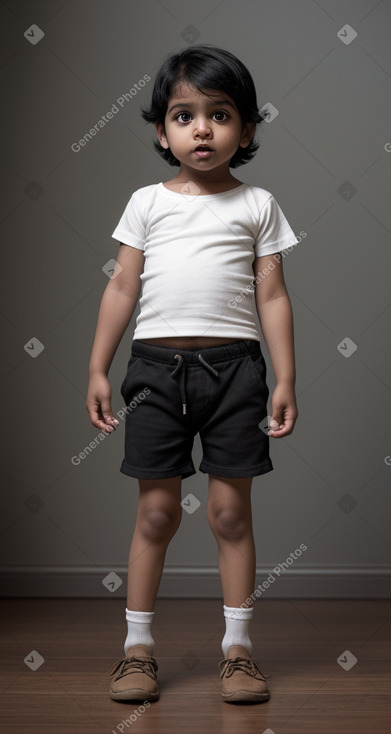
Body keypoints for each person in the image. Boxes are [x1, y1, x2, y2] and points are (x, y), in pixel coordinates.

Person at [86, 44, 298, 705]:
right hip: (155, 372)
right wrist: (97, 366)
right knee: (155, 514)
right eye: (184, 115)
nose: (201, 128)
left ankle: (237, 652)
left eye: (219, 113)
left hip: (235, 374)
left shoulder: (257, 205)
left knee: (230, 513)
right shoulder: (146, 203)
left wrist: (285, 377)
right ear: (161, 130)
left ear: (247, 130)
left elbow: (270, 295)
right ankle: (137, 653)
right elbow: (122, 286)